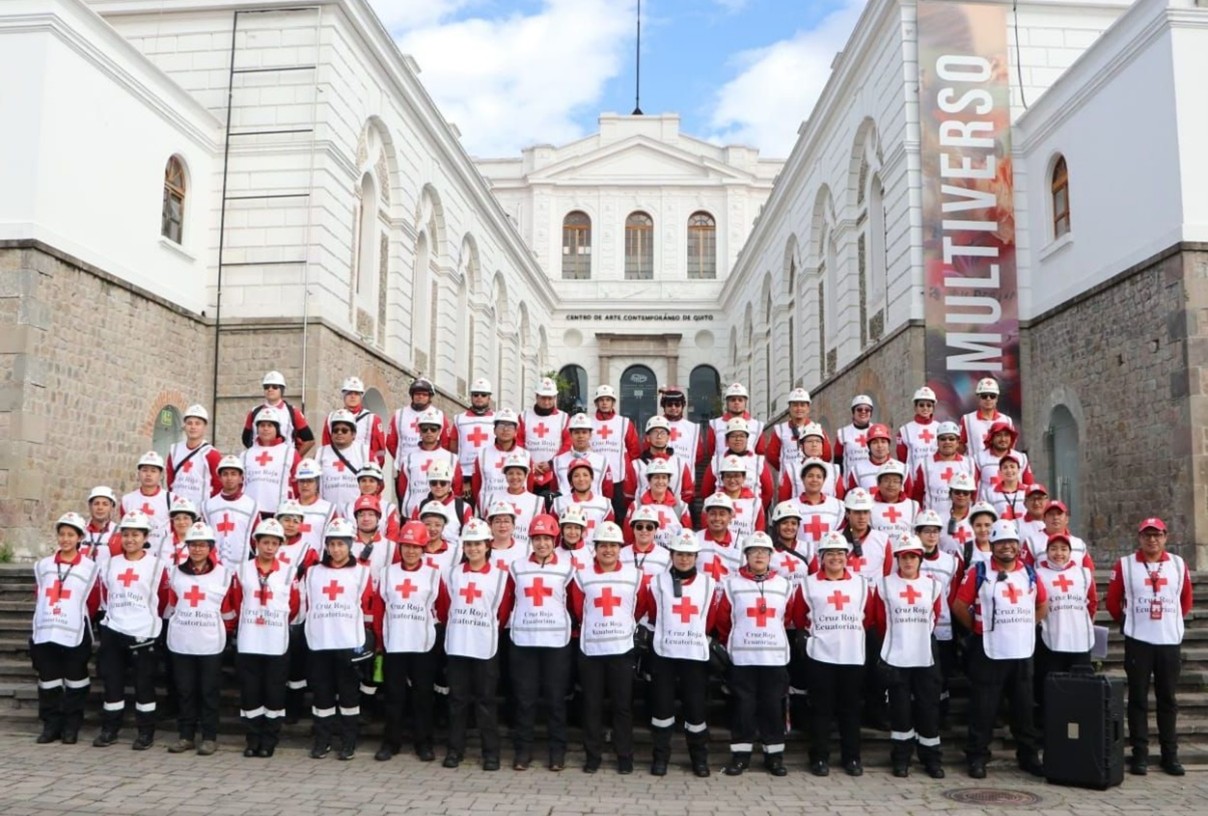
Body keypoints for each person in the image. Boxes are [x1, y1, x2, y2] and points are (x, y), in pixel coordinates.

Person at [952, 519, 1047, 779]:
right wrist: (979, 629)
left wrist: (1027, 625)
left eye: (1011, 542)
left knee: (1024, 708)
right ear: (992, 545)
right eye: (1001, 542)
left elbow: (1042, 604)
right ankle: (977, 756)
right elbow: (960, 606)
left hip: (1021, 652)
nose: (1007, 547)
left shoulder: (1029, 572)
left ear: (1018, 546)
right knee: (983, 708)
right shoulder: (979, 571)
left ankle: (1028, 756)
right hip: (988, 652)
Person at [1107, 516, 1194, 776]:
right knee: (1137, 699)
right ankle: (1140, 755)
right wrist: (1129, 621)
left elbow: (1186, 600)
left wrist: (1172, 620)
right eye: (1147, 535)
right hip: (1139, 641)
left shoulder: (1178, 564)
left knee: (1168, 699)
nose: (1152, 539)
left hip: (1169, 641)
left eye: (1157, 535)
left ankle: (1170, 755)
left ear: (1165, 537)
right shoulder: (1126, 565)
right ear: (1140, 538)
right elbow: (1113, 601)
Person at [569, 521, 651, 774]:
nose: (608, 550)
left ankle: (624, 755)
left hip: (621, 649)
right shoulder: (582, 575)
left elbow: (639, 607)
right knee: (591, 705)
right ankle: (592, 755)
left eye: (613, 545)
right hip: (592, 650)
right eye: (603, 545)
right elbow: (578, 609)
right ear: (595, 548)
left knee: (622, 706)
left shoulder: (635, 575)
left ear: (620, 548)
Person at [715, 531, 794, 777]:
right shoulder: (732, 584)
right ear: (746, 555)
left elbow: (788, 617)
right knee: (743, 707)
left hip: (774, 658)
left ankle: (774, 756)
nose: (759, 555)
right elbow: (723, 621)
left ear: (771, 556)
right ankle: (741, 755)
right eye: (754, 551)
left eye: (764, 551)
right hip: (743, 658)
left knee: (772, 707)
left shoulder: (784, 584)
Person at [643, 530, 718, 778]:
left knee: (696, 709)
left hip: (694, 655)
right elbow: (652, 613)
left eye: (688, 554)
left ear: (696, 556)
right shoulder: (656, 582)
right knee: (662, 709)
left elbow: (711, 618)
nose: (684, 559)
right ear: (671, 555)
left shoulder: (709, 583)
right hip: (664, 654)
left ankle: (699, 759)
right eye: (679, 554)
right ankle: (660, 758)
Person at [799, 531, 874, 777]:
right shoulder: (808, 583)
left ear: (847, 556)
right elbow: (799, 616)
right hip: (821, 656)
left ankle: (852, 758)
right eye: (830, 553)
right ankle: (819, 758)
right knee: (821, 710)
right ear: (821, 557)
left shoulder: (861, 584)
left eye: (840, 553)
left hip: (852, 656)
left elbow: (870, 617)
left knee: (851, 710)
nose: (835, 558)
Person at [373, 520, 448, 763]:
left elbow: (443, 609)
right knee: (394, 696)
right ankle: (391, 742)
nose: (411, 551)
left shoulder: (434, 575)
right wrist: (379, 641)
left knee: (423, 696)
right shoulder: (387, 573)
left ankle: (423, 743)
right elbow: (379, 610)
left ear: (423, 548)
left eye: (416, 546)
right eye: (406, 545)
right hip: (394, 642)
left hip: (423, 644)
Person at [443, 518, 514, 771]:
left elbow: (503, 612)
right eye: (468, 544)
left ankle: (490, 753)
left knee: (486, 701)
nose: (472, 548)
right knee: (457, 700)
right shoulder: (452, 573)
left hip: (485, 646)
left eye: (478, 544)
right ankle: (455, 750)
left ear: (488, 545)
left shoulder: (500, 576)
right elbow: (444, 607)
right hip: (458, 645)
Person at [93, 511, 169, 750]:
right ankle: (110, 729)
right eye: (126, 534)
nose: (130, 539)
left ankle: (145, 732)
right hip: (114, 629)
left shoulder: (157, 564)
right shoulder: (110, 564)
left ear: (145, 536)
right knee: (112, 682)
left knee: (143, 684)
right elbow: (104, 596)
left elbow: (164, 598)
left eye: (135, 534)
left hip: (143, 632)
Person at [873, 534, 945, 778]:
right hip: (896, 655)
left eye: (913, 557)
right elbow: (879, 620)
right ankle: (901, 757)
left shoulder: (933, 585)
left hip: (925, 655)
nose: (908, 561)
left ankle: (931, 758)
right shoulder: (884, 585)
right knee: (900, 709)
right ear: (898, 559)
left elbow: (936, 615)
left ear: (920, 559)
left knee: (928, 708)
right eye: (904, 557)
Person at [303, 518, 375, 760]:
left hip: (348, 643)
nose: (336, 549)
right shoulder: (313, 572)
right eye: (332, 544)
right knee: (322, 695)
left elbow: (366, 607)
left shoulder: (362, 573)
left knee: (349, 696)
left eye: (340, 544)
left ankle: (348, 742)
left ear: (350, 545)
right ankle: (322, 741)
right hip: (320, 642)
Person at [508, 514, 575, 771]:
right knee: (524, 700)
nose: (542, 544)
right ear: (531, 540)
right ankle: (522, 752)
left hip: (556, 643)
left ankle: (556, 753)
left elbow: (575, 604)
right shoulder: (517, 566)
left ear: (554, 539)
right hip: (524, 642)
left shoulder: (567, 568)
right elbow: (508, 601)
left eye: (547, 538)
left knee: (555, 700)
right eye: (537, 539)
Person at [232, 517, 301, 758]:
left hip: (275, 641)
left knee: (274, 692)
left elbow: (294, 605)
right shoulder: (242, 570)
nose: (269, 547)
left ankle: (269, 739)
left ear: (280, 545)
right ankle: (252, 738)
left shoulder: (289, 572)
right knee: (250, 691)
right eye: (265, 542)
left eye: (274, 543)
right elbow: (235, 600)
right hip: (250, 639)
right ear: (257, 543)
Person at [164, 521, 235, 756]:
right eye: (193, 545)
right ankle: (185, 736)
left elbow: (227, 609)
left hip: (210, 641)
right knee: (185, 691)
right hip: (182, 640)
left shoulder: (223, 574)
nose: (197, 550)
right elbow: (172, 604)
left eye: (202, 545)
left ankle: (209, 737)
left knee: (208, 691)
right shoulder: (175, 572)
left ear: (210, 547)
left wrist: (228, 630)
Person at [31, 512, 100, 745]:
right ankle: (51, 725)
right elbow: (39, 594)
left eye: (71, 535)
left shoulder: (90, 568)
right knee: (48, 680)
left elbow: (92, 601)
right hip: (46, 631)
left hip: (74, 632)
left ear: (80, 538)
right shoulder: (43, 565)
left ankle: (71, 726)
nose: (66, 539)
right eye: (62, 534)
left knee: (76, 680)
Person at [1034, 532, 1096, 728]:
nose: (1058, 553)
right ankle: (1051, 732)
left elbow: (1092, 602)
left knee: (1081, 691)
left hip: (1080, 640)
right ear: (1046, 552)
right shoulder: (1038, 573)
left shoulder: (1083, 573)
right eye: (1053, 549)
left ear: (1070, 552)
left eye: (1063, 549)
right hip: (1051, 639)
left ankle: (1082, 732)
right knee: (1051, 691)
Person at [910, 509, 963, 726]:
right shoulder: (909, 558)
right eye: (926, 531)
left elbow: (954, 593)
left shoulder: (951, 561)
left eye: (935, 531)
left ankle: (941, 713)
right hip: (915, 626)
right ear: (918, 533)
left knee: (941, 674)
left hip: (943, 627)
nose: (931, 536)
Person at [700, 418, 775, 513]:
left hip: (751, 514)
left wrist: (756, 510)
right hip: (721, 515)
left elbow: (768, 491)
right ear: (726, 440)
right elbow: (706, 491)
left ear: (747, 439)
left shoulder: (758, 461)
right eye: (733, 436)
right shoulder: (716, 461)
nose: (738, 439)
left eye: (742, 436)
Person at [765, 388, 831, 491]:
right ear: (789, 408)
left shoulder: (817, 428)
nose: (799, 408)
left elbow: (826, 455)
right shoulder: (780, 430)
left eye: (802, 405)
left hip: (813, 482)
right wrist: (786, 469)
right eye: (795, 405)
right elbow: (771, 456)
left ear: (808, 407)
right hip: (788, 482)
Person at [590, 385, 639, 522]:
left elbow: (634, 451)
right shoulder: (589, 423)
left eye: (608, 399)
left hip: (619, 479)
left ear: (613, 402)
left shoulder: (624, 423)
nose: (605, 403)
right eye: (601, 400)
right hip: (595, 477)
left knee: (620, 514)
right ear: (596, 403)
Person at [242, 370, 316, 458]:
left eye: (274, 386)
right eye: (266, 387)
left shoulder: (292, 412)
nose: (270, 389)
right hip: (259, 458)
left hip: (284, 459)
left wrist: (294, 458)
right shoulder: (254, 412)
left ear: (282, 389)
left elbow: (309, 440)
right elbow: (246, 438)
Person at [624, 415, 695, 506]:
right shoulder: (636, 465)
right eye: (655, 432)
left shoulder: (680, 464)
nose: (659, 436)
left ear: (668, 437)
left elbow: (687, 493)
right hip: (644, 516)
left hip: (672, 515)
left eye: (663, 432)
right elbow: (628, 497)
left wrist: (676, 510)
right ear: (648, 437)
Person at [204, 455, 260, 568]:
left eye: (233, 474)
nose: (229, 478)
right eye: (225, 474)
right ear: (219, 477)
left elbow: (256, 539)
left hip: (243, 566)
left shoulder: (251, 506)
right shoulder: (207, 506)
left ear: (241, 478)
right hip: (214, 567)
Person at [519, 377, 572, 497]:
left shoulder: (563, 418)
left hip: (554, 475)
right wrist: (530, 464)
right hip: (528, 473)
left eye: (550, 398)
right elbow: (518, 443)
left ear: (555, 398)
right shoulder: (524, 416)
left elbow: (568, 444)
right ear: (536, 396)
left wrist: (552, 463)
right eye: (543, 397)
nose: (547, 402)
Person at [910, 421, 976, 516]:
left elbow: (974, 494)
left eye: (951, 439)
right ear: (937, 442)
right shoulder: (925, 464)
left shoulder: (969, 464)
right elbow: (917, 495)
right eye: (943, 439)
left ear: (958, 442)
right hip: (933, 522)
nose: (947, 442)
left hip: (963, 521)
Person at [241, 407, 298, 518]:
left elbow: (298, 483)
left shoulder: (290, 453)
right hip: (250, 512)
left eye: (270, 425)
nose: (265, 429)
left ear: (277, 429)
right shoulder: (246, 455)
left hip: (279, 512)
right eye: (262, 425)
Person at [621, 459, 689, 549]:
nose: (660, 481)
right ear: (649, 481)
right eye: (656, 477)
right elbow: (628, 539)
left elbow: (686, 538)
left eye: (664, 477)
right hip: (645, 557)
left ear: (668, 481)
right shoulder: (637, 506)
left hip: (672, 558)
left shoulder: (681, 507)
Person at [166, 404, 223, 509]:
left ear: (204, 427)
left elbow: (218, 484)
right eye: (189, 423)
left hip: (200, 511)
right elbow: (170, 481)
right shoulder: (174, 450)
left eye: (197, 423)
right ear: (185, 426)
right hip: (177, 510)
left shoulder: (212, 454)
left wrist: (208, 507)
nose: (193, 427)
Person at [320, 376, 386, 466]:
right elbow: (326, 444)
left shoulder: (373, 419)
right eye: (349, 393)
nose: (352, 396)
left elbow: (379, 451)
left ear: (361, 396)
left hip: (364, 467)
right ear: (343, 395)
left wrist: (373, 469)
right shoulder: (332, 418)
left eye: (356, 393)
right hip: (337, 464)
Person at [472, 409, 529, 510]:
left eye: (510, 426)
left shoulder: (525, 455)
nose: (505, 430)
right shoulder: (483, 454)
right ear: (494, 430)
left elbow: (529, 484)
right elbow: (476, 485)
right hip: (488, 508)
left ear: (516, 431)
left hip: (518, 508)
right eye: (502, 425)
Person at [387, 377, 451, 466]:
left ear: (430, 397)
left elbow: (446, 442)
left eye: (424, 395)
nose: (420, 397)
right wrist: (402, 460)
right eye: (417, 394)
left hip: (433, 467)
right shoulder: (400, 414)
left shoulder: (438, 415)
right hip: (405, 467)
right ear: (412, 395)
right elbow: (391, 442)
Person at [702, 382, 766, 472]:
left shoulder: (757, 425)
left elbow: (760, 452)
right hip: (722, 471)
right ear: (727, 402)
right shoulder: (715, 424)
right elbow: (711, 451)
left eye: (740, 400)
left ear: (745, 402)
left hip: (748, 472)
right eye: (733, 400)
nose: (736, 403)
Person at [486, 451, 543, 551]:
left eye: (519, 473)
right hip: (497, 551)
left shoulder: (537, 501)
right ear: (505, 475)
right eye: (510, 473)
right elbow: (487, 527)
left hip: (526, 551)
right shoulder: (492, 498)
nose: (515, 477)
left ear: (526, 476)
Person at [121, 451, 175, 557]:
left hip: (163, 554)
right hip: (135, 555)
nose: (148, 474)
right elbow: (124, 530)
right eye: (144, 470)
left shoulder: (172, 499)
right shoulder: (127, 500)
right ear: (138, 473)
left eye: (153, 471)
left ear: (161, 474)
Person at [451, 377, 497, 498]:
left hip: (490, 472)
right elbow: (453, 448)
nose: (479, 398)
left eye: (483, 395)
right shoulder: (459, 419)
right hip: (466, 474)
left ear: (489, 398)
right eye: (476, 394)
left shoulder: (497, 419)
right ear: (471, 397)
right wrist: (462, 478)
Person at [317, 408, 369, 511]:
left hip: (356, 511)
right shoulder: (321, 452)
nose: (339, 433)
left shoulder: (364, 452)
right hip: (328, 510)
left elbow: (374, 483)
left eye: (344, 430)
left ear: (353, 434)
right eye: (335, 430)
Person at [777, 424, 843, 504]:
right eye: (810, 441)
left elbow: (839, 499)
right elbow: (783, 501)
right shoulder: (791, 470)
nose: (814, 445)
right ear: (801, 446)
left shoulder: (834, 470)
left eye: (818, 441)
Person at [794, 458, 845, 553]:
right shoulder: (790, 506)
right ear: (802, 478)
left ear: (824, 479)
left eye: (819, 476)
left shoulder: (839, 506)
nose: (814, 480)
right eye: (810, 476)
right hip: (802, 559)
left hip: (830, 559)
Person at [960, 377, 1014, 459]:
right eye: (984, 396)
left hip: (1000, 467)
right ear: (978, 398)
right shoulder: (967, 419)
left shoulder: (1007, 420)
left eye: (992, 396)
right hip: (975, 468)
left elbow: (1011, 446)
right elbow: (960, 446)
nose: (988, 399)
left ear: (997, 398)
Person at [696, 493, 744, 583]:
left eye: (722, 514)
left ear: (730, 517)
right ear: (706, 516)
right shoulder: (695, 540)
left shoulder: (741, 543)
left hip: (729, 595)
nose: (717, 518)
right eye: (713, 514)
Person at [843, 424, 904, 493]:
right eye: (875, 442)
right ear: (869, 446)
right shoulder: (857, 470)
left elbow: (908, 497)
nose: (880, 446)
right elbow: (852, 496)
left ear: (888, 444)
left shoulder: (902, 468)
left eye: (883, 442)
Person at [657, 386, 704, 470]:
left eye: (677, 404)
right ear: (664, 406)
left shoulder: (692, 428)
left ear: (683, 406)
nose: (673, 407)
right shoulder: (656, 425)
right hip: (661, 474)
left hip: (685, 476)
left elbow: (698, 455)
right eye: (669, 404)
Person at [896, 387, 939, 473]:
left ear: (933, 408)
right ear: (915, 407)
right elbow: (902, 460)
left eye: (929, 405)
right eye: (921, 405)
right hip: (914, 479)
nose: (925, 408)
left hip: (936, 476)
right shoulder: (904, 431)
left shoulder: (940, 428)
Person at [870, 460, 918, 538]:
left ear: (901, 485)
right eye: (886, 480)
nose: (891, 485)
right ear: (878, 484)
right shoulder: (868, 505)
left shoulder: (914, 506)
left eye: (896, 481)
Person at [833, 394, 874, 477]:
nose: (863, 412)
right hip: (851, 480)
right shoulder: (843, 433)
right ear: (853, 412)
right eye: (859, 409)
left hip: (873, 478)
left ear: (871, 413)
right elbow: (838, 461)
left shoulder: (877, 430)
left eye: (867, 410)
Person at [938, 473, 977, 558]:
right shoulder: (940, 518)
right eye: (957, 492)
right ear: (950, 493)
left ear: (971, 495)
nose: (961, 495)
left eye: (965, 493)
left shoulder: (977, 518)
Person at [82, 486, 119, 567]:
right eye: (96, 503)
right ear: (90, 506)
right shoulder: (79, 530)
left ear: (112, 507)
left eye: (105, 504)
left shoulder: (119, 533)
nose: (100, 508)